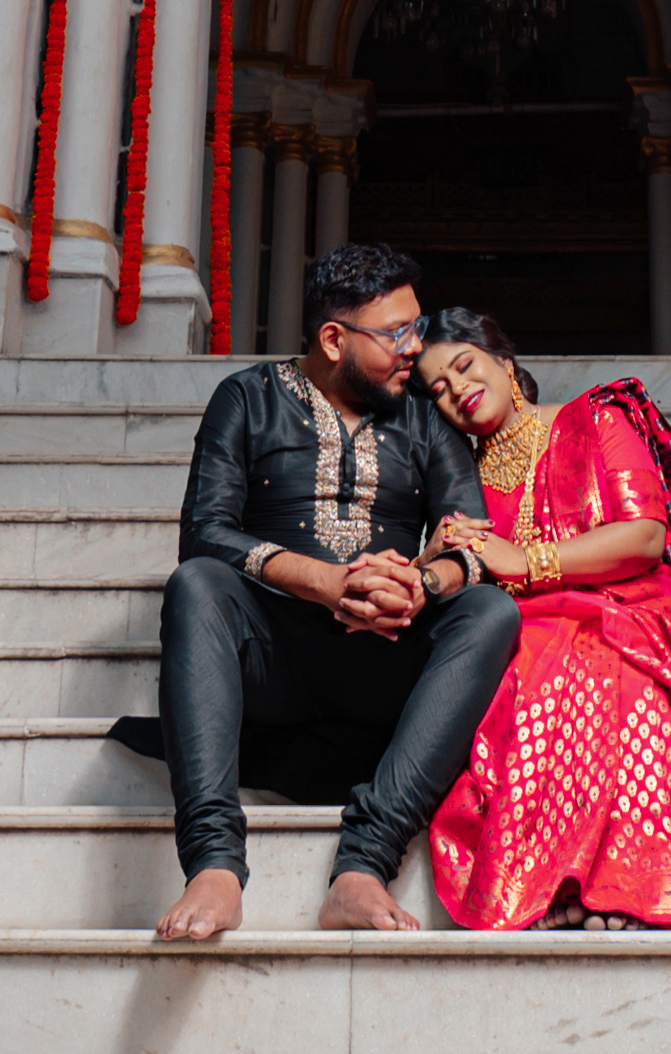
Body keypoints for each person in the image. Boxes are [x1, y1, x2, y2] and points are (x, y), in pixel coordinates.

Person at [138, 241, 517, 943]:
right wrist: (323, 582)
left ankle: (364, 867)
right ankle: (214, 863)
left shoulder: (425, 416)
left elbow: (473, 540)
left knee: (489, 610)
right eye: (395, 334)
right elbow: (206, 533)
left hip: (387, 659)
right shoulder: (247, 398)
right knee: (197, 584)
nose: (415, 348)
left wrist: (419, 584)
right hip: (272, 660)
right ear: (334, 338)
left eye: (417, 327)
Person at [415, 312, 671, 933]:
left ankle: (622, 884)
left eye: (462, 366)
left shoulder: (595, 418)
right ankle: (550, 883)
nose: (456, 389)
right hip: (530, 628)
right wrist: (437, 554)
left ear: (502, 360)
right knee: (528, 658)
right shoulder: (464, 483)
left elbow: (643, 537)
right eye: (438, 390)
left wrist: (527, 559)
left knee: (597, 666)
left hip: (631, 608)